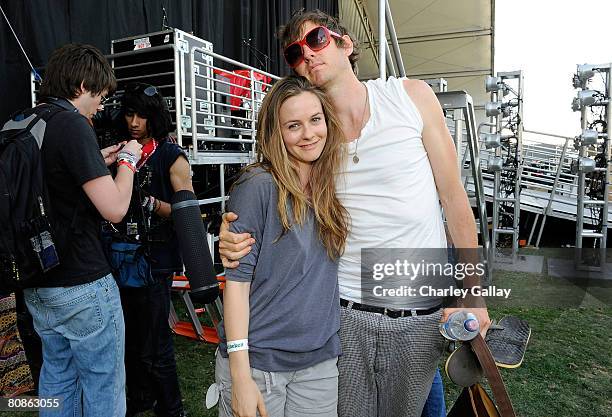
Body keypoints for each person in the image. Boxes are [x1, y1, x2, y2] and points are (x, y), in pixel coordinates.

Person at [219, 9, 491, 417]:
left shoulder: (410, 97)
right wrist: (234, 238)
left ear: (346, 43)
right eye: (295, 52)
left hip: (418, 313)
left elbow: (454, 201)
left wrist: (474, 294)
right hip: (342, 315)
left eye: (318, 39)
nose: (307, 54)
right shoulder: (314, 139)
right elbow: (279, 203)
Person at [215, 75, 350, 417]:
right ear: (276, 133)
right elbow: (236, 286)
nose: (308, 134)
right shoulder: (258, 186)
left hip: (319, 363)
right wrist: (239, 374)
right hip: (260, 365)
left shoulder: (329, 185)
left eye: (315, 120)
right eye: (294, 125)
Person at [20, 43, 142, 417]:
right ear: (83, 83)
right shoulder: (72, 124)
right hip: (82, 283)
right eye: (101, 96)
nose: (102, 106)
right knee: (104, 387)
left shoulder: (24, 121)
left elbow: (55, 184)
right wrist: (127, 161)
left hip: (37, 284)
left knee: (57, 380)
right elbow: (116, 208)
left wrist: (99, 160)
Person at [112, 82, 191, 417]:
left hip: (156, 260)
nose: (134, 122)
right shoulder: (116, 151)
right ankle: (139, 399)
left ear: (154, 118)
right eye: (129, 114)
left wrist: (150, 203)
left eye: (142, 116)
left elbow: (186, 209)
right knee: (128, 341)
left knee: (157, 344)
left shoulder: (171, 156)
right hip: (121, 257)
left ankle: (171, 409)